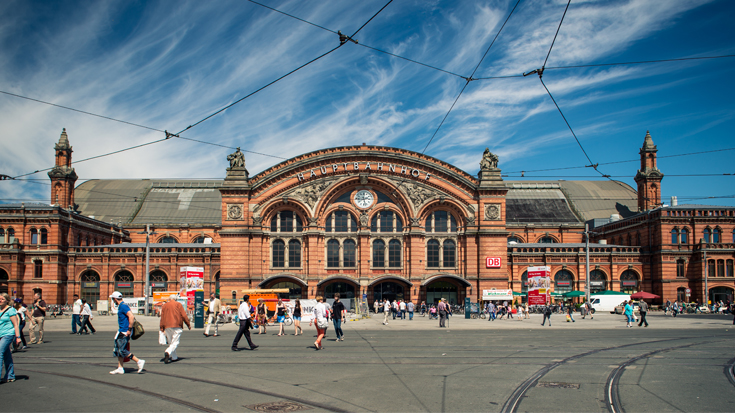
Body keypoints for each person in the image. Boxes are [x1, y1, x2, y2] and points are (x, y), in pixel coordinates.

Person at [109, 291, 145, 374]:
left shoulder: (123, 306)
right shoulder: (122, 306)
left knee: (122, 350)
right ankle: (120, 368)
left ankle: (139, 361)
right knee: (118, 349)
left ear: (115, 299)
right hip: (122, 330)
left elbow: (131, 316)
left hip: (125, 331)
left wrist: (129, 329)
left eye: (112, 299)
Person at [160, 295, 191, 364]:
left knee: (171, 342)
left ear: (169, 299)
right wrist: (188, 324)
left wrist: (161, 327)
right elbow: (184, 315)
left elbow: (162, 317)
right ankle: (167, 351)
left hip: (167, 326)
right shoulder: (178, 304)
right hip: (177, 325)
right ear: (176, 299)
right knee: (175, 342)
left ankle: (174, 357)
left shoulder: (165, 305)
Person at [0, 293, 22, 383]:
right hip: (0, 334)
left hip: (8, 334)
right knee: (6, 355)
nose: (0, 300)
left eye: (2, 299)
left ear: (7, 300)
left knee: (0, 353)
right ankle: (10, 376)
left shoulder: (11, 310)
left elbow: (16, 324)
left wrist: (18, 337)